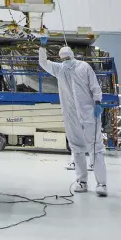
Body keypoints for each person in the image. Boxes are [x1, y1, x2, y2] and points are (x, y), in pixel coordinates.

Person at [39, 39, 107, 196]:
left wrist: (97, 102)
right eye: (63, 59)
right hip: (71, 116)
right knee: (77, 149)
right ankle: (82, 182)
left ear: (72, 56)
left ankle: (101, 184)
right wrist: (42, 46)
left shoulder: (84, 67)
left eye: (67, 59)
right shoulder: (60, 69)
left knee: (96, 148)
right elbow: (43, 63)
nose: (65, 61)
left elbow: (95, 86)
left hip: (89, 113)